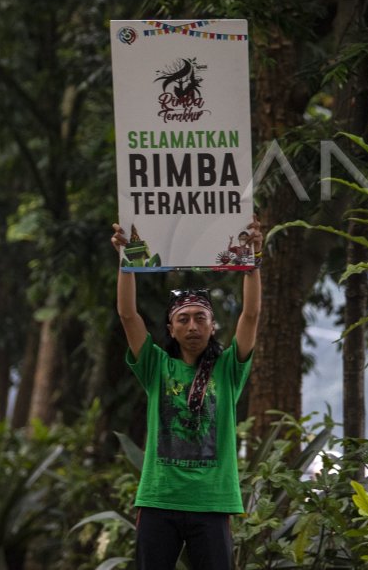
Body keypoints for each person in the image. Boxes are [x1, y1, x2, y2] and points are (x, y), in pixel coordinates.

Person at [111, 216, 263, 570]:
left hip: (211, 504)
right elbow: (127, 314)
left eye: (200, 318)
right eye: (183, 319)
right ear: (171, 328)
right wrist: (126, 257)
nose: (192, 325)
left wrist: (252, 259)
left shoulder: (228, 369)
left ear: (213, 326)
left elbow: (252, 315)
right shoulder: (155, 367)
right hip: (159, 502)